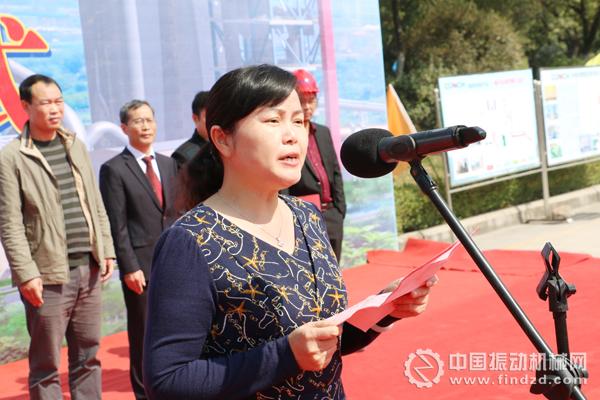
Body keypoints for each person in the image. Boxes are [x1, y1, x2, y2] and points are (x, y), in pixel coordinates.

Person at [143, 64, 436, 399]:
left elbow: (324, 340)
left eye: (298, 121)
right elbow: (167, 381)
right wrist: (285, 355)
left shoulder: (306, 217)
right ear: (223, 139)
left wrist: (384, 308)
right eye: (273, 120)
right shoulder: (191, 241)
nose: (293, 134)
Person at [0, 74, 115, 399]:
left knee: (88, 356)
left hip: (88, 269)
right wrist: (26, 274)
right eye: (46, 103)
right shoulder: (12, 157)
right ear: (25, 107)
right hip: (46, 276)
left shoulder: (74, 145)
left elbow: (94, 202)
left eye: (59, 102)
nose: (55, 109)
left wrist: (106, 248)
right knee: (46, 364)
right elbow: (9, 222)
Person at [99, 100, 178, 400]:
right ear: (124, 128)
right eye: (137, 121)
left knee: (177, 328)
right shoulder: (114, 169)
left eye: (149, 120)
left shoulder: (168, 164)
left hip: (173, 262)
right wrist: (129, 266)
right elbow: (117, 224)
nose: (145, 126)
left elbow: (176, 213)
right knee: (144, 335)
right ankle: (144, 394)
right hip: (140, 268)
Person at [284, 69, 346, 261]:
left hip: (332, 213)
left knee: (334, 268)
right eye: (302, 101)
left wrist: (340, 209)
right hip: (304, 216)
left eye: (311, 101)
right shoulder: (287, 136)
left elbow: (335, 172)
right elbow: (284, 182)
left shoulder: (323, 132)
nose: (307, 106)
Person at [171, 90, 209, 168]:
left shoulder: (227, 147)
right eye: (208, 116)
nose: (214, 119)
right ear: (195, 118)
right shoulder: (182, 156)